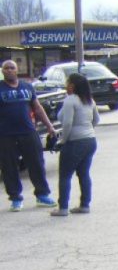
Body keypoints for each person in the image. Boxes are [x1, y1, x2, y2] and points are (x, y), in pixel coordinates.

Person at [0, 59, 57, 211]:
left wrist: (49, 126)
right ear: (2, 71)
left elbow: (37, 107)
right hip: (5, 135)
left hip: (28, 131)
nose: (9, 70)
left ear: (17, 70)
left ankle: (42, 195)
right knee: (9, 167)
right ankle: (15, 198)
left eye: (12, 68)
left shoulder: (27, 87)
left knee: (37, 164)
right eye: (6, 68)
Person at [50, 72, 100, 217]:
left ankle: (63, 208)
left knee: (65, 175)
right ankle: (85, 205)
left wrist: (62, 140)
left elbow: (67, 123)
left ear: (72, 86)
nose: (66, 86)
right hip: (90, 140)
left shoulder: (70, 100)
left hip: (75, 142)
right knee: (84, 174)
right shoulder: (89, 100)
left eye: (67, 83)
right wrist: (87, 129)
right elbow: (96, 120)